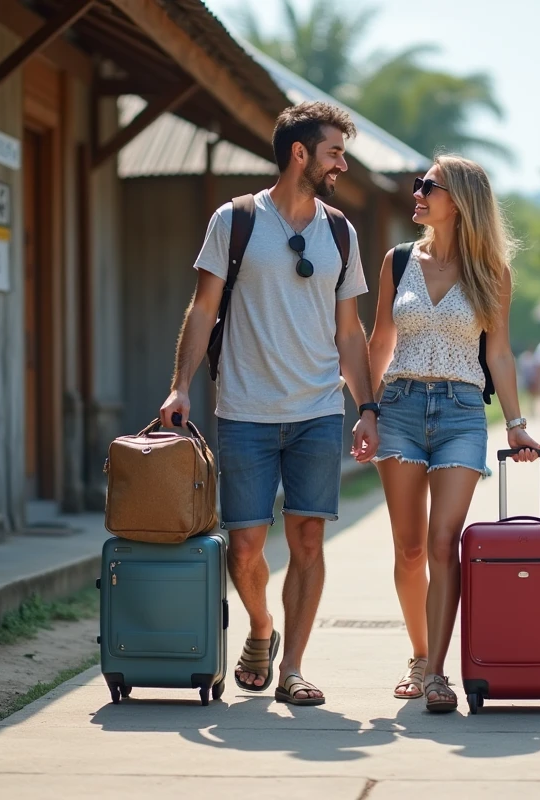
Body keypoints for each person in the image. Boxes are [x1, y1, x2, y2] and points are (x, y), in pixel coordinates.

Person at [158, 102, 379, 708]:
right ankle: (261, 628)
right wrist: (180, 385)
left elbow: (350, 331)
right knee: (247, 546)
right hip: (245, 410)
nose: (342, 163)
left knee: (308, 542)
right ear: (300, 153)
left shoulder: (340, 231)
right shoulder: (236, 221)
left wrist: (366, 408)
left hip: (317, 411)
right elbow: (203, 309)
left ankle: (295, 670)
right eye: (334, 151)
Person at [367, 155, 540, 714]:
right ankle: (419, 656)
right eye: (418, 185)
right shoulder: (397, 262)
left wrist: (515, 426)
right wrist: (366, 409)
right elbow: (378, 343)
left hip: (463, 411)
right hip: (399, 406)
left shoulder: (492, 270)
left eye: (428, 186)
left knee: (445, 541)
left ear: (459, 199)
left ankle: (439, 673)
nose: (416, 193)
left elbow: (499, 352)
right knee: (410, 546)